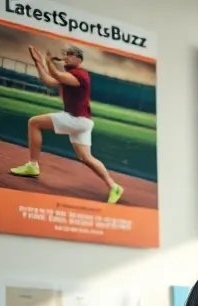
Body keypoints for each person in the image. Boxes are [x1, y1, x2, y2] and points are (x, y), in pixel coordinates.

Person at [10, 44, 123, 204]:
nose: (67, 57)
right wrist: (39, 62)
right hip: (82, 122)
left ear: (78, 60)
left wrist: (48, 61)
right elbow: (50, 81)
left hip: (75, 119)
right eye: (67, 54)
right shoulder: (70, 75)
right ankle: (114, 186)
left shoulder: (80, 75)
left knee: (34, 123)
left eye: (70, 55)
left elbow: (55, 73)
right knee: (86, 157)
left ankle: (33, 165)